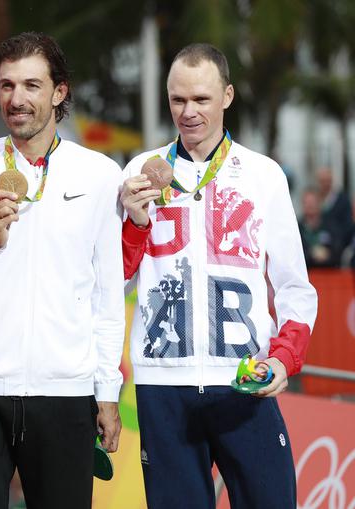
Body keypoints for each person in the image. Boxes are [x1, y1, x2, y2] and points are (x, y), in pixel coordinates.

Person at [0, 32, 125, 509]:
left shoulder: (100, 175)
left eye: (32, 86)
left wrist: (106, 389)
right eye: (6, 85)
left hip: (65, 391)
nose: (17, 99)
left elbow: (106, 294)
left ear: (59, 92)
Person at [120, 43, 317, 509]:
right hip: (162, 384)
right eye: (178, 100)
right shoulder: (138, 174)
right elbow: (113, 283)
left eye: (201, 100)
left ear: (227, 96)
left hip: (244, 379)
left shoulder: (263, 175)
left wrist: (284, 358)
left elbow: (294, 286)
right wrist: (134, 225)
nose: (188, 113)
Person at [298, 187, 342, 267]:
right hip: (307, 273)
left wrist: (327, 254)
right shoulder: (297, 228)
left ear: (319, 203)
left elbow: (338, 249)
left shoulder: (330, 225)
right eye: (307, 202)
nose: (310, 205)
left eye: (312, 202)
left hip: (329, 273)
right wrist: (312, 254)